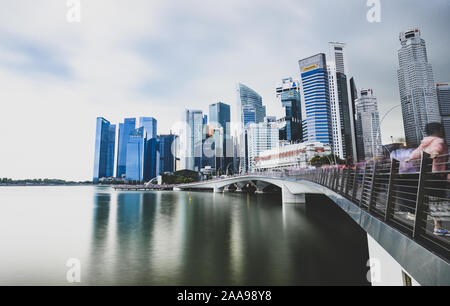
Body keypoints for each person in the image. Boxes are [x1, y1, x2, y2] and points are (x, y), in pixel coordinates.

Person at [407, 122, 450, 236]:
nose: (442, 131)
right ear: (437, 130)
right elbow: (438, 148)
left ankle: (433, 226)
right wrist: (435, 153)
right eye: (441, 129)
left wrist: (409, 159)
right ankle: (438, 227)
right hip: (438, 175)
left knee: (432, 199)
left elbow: (416, 152)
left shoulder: (425, 142)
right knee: (438, 199)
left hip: (428, 175)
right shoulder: (439, 140)